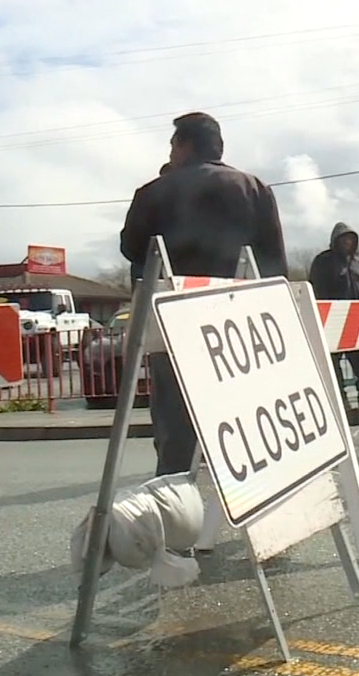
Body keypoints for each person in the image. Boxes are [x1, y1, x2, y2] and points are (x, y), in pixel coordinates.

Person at [120, 112, 288, 476]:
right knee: (242, 411)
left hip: (174, 323)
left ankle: (176, 490)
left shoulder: (153, 193)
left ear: (185, 145)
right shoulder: (256, 189)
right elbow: (274, 264)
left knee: (176, 421)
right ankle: (250, 483)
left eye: (172, 144)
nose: (170, 152)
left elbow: (131, 248)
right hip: (240, 328)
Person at [309, 222, 359, 408]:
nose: (348, 242)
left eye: (351, 239)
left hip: (356, 321)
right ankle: (339, 400)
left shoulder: (357, 263)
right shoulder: (323, 261)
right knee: (332, 363)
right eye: (344, 239)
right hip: (332, 320)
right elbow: (316, 287)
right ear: (335, 240)